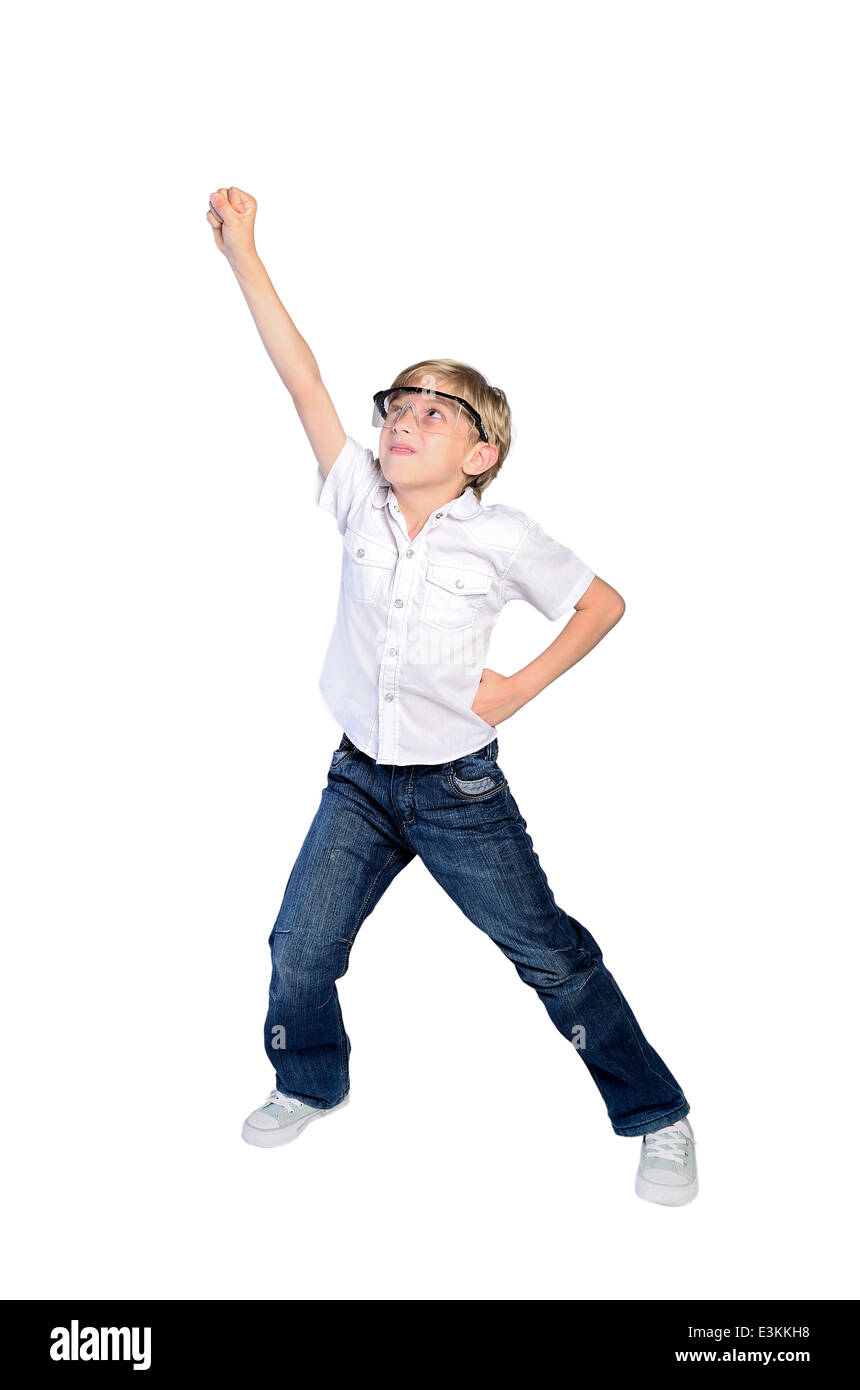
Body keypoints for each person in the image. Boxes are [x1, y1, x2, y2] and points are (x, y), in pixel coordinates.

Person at [206, 186, 698, 1206]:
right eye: (396, 402)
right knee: (299, 944)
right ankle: (308, 1081)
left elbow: (602, 604)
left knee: (549, 955)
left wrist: (513, 687)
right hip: (356, 781)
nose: (402, 417)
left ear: (477, 454)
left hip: (457, 792)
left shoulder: (502, 533)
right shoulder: (356, 495)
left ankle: (656, 1113)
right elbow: (299, 376)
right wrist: (244, 252)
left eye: (435, 410)